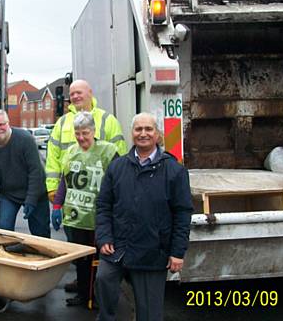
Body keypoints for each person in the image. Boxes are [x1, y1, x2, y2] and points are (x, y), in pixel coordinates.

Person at [95, 112, 193, 321]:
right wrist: (104, 237)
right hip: (118, 249)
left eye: (148, 129)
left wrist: (177, 252)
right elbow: (103, 205)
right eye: (138, 129)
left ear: (157, 134)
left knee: (149, 314)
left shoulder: (174, 171)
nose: (143, 134)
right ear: (132, 134)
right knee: (104, 279)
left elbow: (182, 214)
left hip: (152, 253)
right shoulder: (117, 167)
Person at [45, 79, 127, 292]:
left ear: (90, 92)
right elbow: (55, 160)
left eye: (79, 92)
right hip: (74, 203)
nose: (75, 96)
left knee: (99, 251)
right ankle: (84, 285)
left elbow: (119, 162)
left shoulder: (107, 120)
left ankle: (97, 288)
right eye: (72, 94)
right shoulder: (63, 123)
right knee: (78, 249)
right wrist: (54, 195)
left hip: (99, 203)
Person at [51, 111, 119, 307]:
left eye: (85, 133)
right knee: (81, 260)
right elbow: (65, 181)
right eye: (77, 133)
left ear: (94, 131)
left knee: (98, 260)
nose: (81, 138)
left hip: (99, 217)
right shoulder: (72, 152)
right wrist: (57, 205)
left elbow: (118, 181)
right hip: (76, 216)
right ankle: (83, 294)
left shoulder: (108, 151)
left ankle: (97, 296)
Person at [0, 109, 50, 237]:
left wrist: (31, 200)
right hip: (9, 194)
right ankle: (6, 254)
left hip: (35, 191)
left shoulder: (25, 140)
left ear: (8, 123)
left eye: (1, 124)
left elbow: (35, 172)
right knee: (4, 230)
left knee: (40, 232)